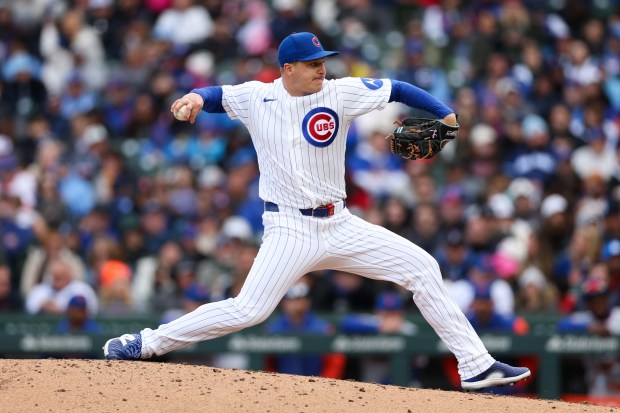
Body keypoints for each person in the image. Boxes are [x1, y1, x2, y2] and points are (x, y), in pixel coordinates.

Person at [103, 32, 530, 391]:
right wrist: (194, 97)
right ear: (287, 68)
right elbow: (216, 95)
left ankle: (475, 365)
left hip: (339, 222)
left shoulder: (340, 92)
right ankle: (145, 343)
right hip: (288, 227)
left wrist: (445, 114)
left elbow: (397, 89)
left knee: (422, 266)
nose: (321, 68)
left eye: (322, 60)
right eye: (311, 63)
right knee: (249, 310)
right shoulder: (258, 97)